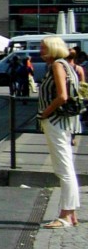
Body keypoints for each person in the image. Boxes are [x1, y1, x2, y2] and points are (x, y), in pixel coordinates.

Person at [36, 35, 81, 229]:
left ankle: (66, 215)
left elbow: (62, 96)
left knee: (64, 169)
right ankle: (71, 213)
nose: (40, 51)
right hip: (64, 122)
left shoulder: (57, 66)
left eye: (43, 48)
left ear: (53, 49)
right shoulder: (67, 65)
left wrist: (44, 114)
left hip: (56, 121)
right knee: (66, 167)